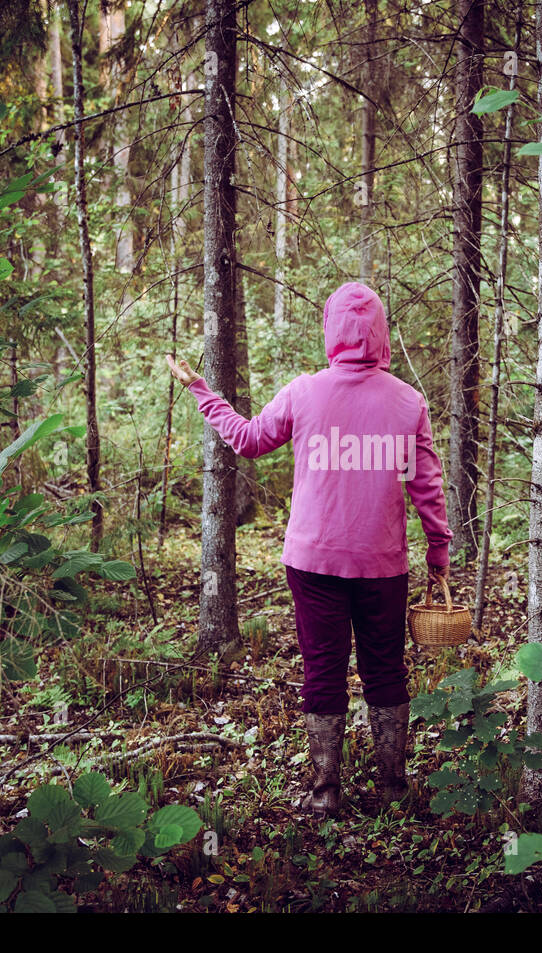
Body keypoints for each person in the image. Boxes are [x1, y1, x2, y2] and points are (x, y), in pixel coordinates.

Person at [165, 281, 451, 817]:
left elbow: (248, 439)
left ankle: (325, 794)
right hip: (381, 564)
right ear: (381, 333)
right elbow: (425, 485)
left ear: (330, 330)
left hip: (314, 562)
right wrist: (438, 550)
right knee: (385, 669)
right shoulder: (408, 403)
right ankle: (391, 789)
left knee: (324, 669)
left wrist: (201, 390)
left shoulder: (305, 392)